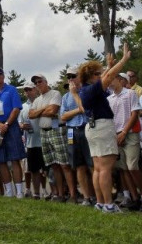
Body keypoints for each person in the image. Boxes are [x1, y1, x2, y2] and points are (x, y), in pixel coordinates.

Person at [75, 43, 131, 213]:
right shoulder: (91, 89)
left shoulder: (86, 90)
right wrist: (123, 60)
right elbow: (109, 77)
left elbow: (105, 76)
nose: (101, 75)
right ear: (91, 76)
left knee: (98, 168)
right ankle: (108, 204)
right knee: (105, 168)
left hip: (92, 128)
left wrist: (108, 65)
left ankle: (100, 202)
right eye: (98, 73)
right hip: (102, 126)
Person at [108, 70, 142, 211]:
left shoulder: (130, 93)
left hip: (130, 134)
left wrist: (124, 132)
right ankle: (134, 197)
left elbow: (134, 113)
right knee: (124, 169)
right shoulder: (109, 98)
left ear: (120, 80)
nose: (110, 81)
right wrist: (115, 134)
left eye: (112, 78)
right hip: (117, 135)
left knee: (133, 166)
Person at [0, 66, 26, 199]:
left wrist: (6, 124)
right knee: (0, 160)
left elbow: (16, 108)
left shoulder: (11, 90)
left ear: (3, 76)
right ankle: (8, 190)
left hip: (11, 126)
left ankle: (19, 191)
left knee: (14, 158)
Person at [29, 74, 73, 203]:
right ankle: (60, 194)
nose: (38, 84)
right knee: (53, 165)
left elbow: (52, 111)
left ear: (46, 82)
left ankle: (72, 194)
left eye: (40, 81)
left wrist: (40, 112)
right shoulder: (37, 100)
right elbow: (31, 115)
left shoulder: (55, 93)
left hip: (56, 130)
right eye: (36, 83)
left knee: (64, 164)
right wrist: (44, 108)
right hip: (44, 132)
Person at [60, 66, 96, 207]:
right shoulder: (65, 96)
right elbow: (63, 117)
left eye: (73, 76)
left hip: (87, 129)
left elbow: (86, 110)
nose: (70, 79)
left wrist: (76, 108)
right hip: (72, 131)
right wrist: (78, 110)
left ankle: (98, 196)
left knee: (92, 165)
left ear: (80, 77)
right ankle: (87, 198)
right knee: (79, 166)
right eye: (68, 77)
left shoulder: (87, 91)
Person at [19, 80, 46, 199]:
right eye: (25, 90)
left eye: (29, 89)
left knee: (46, 170)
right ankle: (36, 193)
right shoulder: (22, 107)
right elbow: (19, 122)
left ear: (35, 89)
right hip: (30, 143)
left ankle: (50, 191)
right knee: (33, 170)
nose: (27, 92)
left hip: (45, 140)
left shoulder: (43, 102)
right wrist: (22, 126)